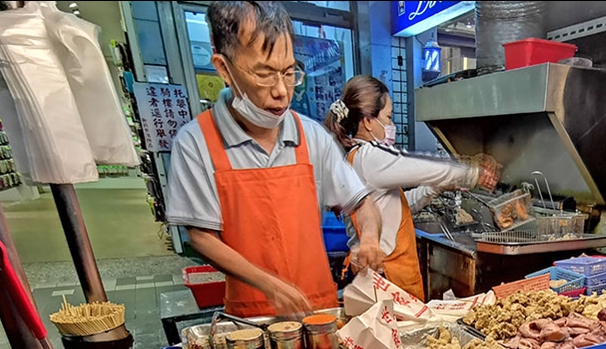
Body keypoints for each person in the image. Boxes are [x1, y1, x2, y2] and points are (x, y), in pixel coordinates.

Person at [166, 1, 384, 317]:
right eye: (265, 73)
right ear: (224, 68)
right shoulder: (195, 142)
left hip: (319, 311)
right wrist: (268, 284)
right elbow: (200, 236)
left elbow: (361, 203)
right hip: (251, 320)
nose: (282, 91)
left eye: (289, 72)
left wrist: (370, 240)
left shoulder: (312, 136)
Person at [324, 75, 500, 301]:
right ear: (368, 121)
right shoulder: (370, 157)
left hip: (382, 278)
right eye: (388, 117)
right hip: (386, 278)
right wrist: (472, 171)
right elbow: (422, 164)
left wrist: (435, 188)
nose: (391, 126)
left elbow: (396, 209)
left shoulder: (355, 158)